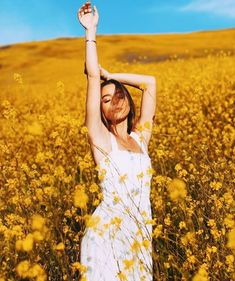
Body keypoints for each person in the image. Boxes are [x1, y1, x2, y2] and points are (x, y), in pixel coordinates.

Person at [77, 1, 157, 280]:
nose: (114, 102)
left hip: (140, 237)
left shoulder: (141, 138)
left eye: (118, 95)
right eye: (106, 100)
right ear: (99, 110)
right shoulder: (102, 140)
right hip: (106, 238)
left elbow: (150, 83)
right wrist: (91, 32)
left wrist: (112, 77)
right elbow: (91, 80)